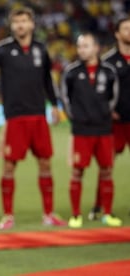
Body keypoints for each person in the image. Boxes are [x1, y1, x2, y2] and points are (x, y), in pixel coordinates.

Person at [0, 7, 67, 230]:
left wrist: (55, 105)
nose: (20, 25)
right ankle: (8, 215)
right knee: (8, 167)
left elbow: (48, 80)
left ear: (32, 24)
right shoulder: (3, 49)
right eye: (16, 22)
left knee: (45, 164)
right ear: (12, 25)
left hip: (38, 115)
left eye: (24, 21)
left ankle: (48, 214)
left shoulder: (40, 49)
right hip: (14, 117)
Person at [60, 32, 122, 228]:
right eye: (79, 47)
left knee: (106, 172)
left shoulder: (109, 72)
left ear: (96, 48)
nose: (82, 50)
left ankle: (107, 213)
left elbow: (114, 97)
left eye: (86, 46)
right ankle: (76, 215)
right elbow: (65, 98)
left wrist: (104, 113)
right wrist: (76, 117)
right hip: (82, 130)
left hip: (104, 129)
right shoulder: (71, 72)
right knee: (77, 172)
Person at [88, 16, 130, 220]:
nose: (129, 31)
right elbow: (97, 90)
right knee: (107, 165)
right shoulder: (109, 62)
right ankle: (99, 206)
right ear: (117, 34)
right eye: (126, 28)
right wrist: (107, 108)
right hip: (115, 122)